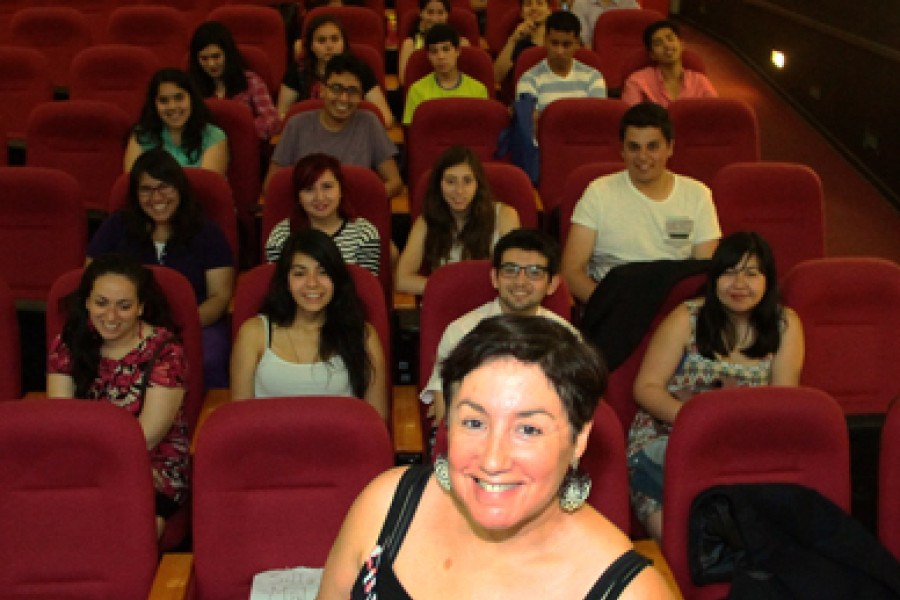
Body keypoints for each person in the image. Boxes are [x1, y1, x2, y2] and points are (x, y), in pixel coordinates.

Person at [316, 315, 675, 600]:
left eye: (528, 429)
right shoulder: (386, 506)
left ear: (578, 440)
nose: (492, 460)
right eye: (474, 422)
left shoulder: (629, 592)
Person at [627, 232, 804, 541]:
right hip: (671, 437)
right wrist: (698, 424)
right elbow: (646, 387)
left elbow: (782, 404)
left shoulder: (784, 324)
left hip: (746, 442)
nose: (739, 284)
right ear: (714, 278)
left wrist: (730, 434)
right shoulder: (686, 317)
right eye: (729, 272)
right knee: (686, 545)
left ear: (768, 280)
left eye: (751, 273)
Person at [46, 254, 189, 538]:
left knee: (121, 531)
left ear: (140, 307)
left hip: (150, 466)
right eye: (101, 303)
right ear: (87, 302)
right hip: (80, 461)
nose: (111, 317)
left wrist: (101, 471)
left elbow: (147, 436)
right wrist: (85, 469)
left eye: (123, 306)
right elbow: (61, 423)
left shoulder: (166, 352)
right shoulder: (67, 343)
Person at [89, 149, 235, 388]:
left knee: (208, 359)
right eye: (146, 189)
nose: (156, 197)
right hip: (123, 323)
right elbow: (91, 280)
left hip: (195, 324)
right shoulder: (115, 227)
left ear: (179, 189)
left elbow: (219, 297)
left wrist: (180, 327)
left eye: (164, 187)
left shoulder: (207, 232)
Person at [561, 102, 721, 303]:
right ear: (622, 150)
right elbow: (571, 272)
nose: (642, 157)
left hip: (674, 306)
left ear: (670, 148)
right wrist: (610, 306)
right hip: (612, 301)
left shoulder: (697, 194)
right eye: (634, 147)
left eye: (652, 147)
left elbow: (706, 272)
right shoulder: (598, 192)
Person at [421, 228, 578, 423]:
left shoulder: (567, 338)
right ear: (495, 278)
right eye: (510, 270)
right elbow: (445, 413)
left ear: (552, 284)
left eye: (534, 273)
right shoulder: (462, 332)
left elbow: (574, 410)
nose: (520, 281)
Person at [230, 229, 387, 420]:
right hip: (268, 439)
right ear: (286, 281)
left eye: (323, 272)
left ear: (337, 279)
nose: (312, 283)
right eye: (299, 273)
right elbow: (239, 419)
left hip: (339, 438)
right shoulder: (254, 333)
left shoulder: (363, 335)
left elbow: (376, 421)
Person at [266, 54, 403, 199]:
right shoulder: (296, 124)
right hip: (309, 207)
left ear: (361, 96)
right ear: (322, 90)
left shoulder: (369, 122)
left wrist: (360, 200)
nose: (344, 98)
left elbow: (395, 183)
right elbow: (271, 186)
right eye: (336, 88)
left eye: (352, 91)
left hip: (354, 208)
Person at [396, 145, 521, 295]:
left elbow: (516, 275)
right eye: (451, 182)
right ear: (439, 185)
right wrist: (454, 290)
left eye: (467, 181)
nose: (459, 190)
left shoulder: (505, 216)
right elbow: (401, 281)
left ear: (478, 184)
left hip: (491, 300)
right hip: (446, 299)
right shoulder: (427, 221)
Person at [264, 152, 381, 277]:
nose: (319, 197)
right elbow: (279, 285)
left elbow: (366, 286)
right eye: (309, 189)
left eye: (327, 186)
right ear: (298, 196)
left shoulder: (364, 233)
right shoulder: (280, 236)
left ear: (341, 190)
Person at [277, 14, 394, 127]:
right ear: (311, 46)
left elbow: (385, 118)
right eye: (321, 40)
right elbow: (281, 116)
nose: (329, 46)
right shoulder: (298, 70)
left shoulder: (360, 70)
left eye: (335, 39)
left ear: (344, 43)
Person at [124, 68, 229, 176]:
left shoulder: (213, 136)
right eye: (164, 100)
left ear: (192, 99)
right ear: (154, 105)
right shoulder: (141, 135)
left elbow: (207, 184)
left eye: (179, 98)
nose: (172, 106)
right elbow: (132, 181)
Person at [188, 21, 281, 140]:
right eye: (204, 59)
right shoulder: (190, 86)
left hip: (245, 144)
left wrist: (237, 129)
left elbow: (273, 120)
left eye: (216, 57)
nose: (211, 64)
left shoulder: (251, 81)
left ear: (227, 55)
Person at [516, 10, 606, 132]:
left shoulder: (594, 77)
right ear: (545, 40)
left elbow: (597, 123)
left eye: (566, 45)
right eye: (554, 43)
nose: (559, 51)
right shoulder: (528, 79)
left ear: (577, 43)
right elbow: (530, 130)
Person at [402, 23, 489, 126]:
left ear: (457, 51)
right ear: (428, 55)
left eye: (446, 49)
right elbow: (413, 131)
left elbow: (483, 129)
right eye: (434, 51)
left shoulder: (478, 90)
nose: (441, 56)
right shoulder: (417, 91)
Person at [622, 20, 718, 108]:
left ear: (681, 45)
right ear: (652, 55)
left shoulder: (700, 81)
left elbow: (715, 112)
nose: (667, 45)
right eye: (658, 43)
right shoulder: (637, 81)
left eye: (670, 39)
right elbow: (631, 117)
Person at [398, 0, 470, 86]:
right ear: (420, 13)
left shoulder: (462, 43)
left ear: (447, 14)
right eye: (430, 12)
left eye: (440, 13)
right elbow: (404, 80)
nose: (435, 19)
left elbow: (467, 77)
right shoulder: (410, 44)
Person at [493, 0, 552, 85]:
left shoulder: (558, 39)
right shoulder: (518, 41)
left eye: (539, 3)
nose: (534, 8)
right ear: (521, 13)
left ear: (549, 10)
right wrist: (513, 40)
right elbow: (497, 76)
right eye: (528, 4)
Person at [572, 0, 639, 47]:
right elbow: (586, 43)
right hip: (595, 55)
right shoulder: (581, 3)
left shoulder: (629, 3)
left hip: (625, 52)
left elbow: (637, 32)